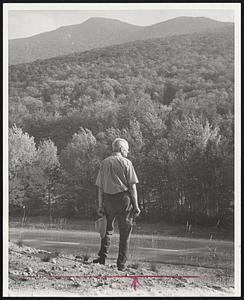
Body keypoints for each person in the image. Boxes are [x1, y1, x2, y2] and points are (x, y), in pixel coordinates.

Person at [93, 138, 141, 271]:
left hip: (108, 199)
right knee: (125, 232)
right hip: (124, 199)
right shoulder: (127, 163)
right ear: (121, 149)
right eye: (127, 149)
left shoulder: (104, 163)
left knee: (107, 230)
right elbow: (132, 187)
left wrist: (100, 205)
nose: (128, 151)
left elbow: (100, 188)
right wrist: (136, 205)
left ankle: (102, 258)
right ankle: (121, 264)